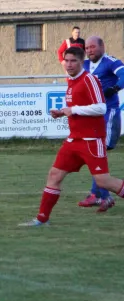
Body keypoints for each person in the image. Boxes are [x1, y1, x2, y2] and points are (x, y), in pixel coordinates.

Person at [20, 47, 124, 227]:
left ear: (81, 61)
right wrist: (62, 112)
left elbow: (101, 108)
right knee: (54, 175)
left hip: (91, 140)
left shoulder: (89, 79)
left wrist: (72, 110)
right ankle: (42, 219)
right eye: (66, 61)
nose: (68, 64)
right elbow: (78, 108)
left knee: (103, 181)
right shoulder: (71, 81)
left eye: (73, 61)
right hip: (74, 139)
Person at [76, 36, 124, 212]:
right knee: (96, 154)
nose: (89, 51)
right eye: (86, 48)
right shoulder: (86, 66)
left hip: (109, 114)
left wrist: (115, 88)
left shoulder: (110, 61)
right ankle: (102, 196)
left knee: (99, 153)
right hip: (93, 117)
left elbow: (123, 75)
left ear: (102, 47)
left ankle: (98, 196)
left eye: (92, 47)